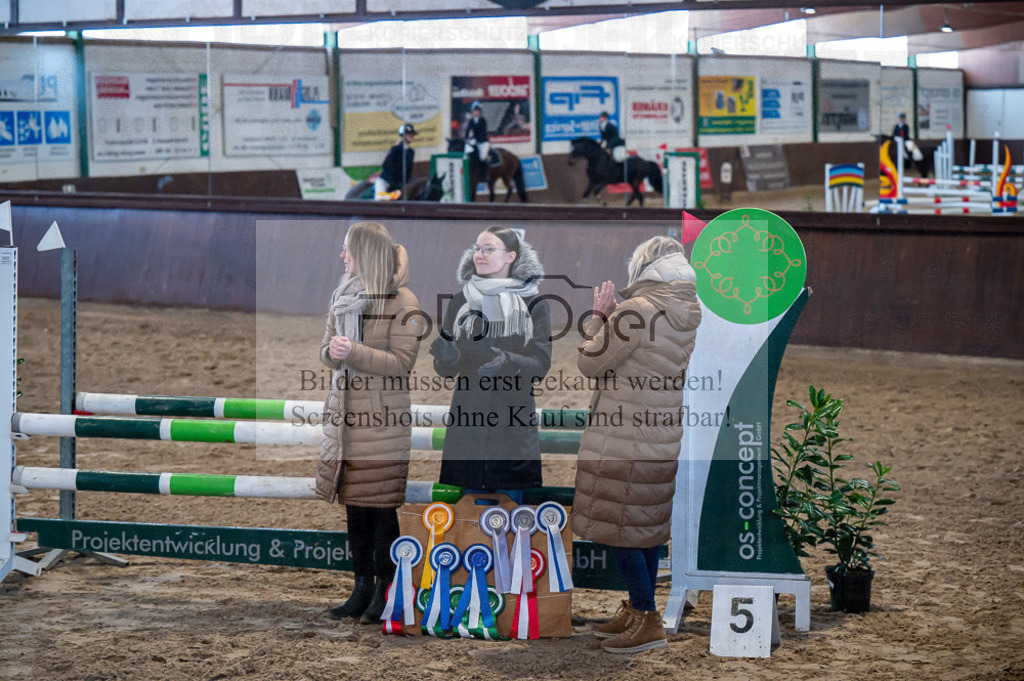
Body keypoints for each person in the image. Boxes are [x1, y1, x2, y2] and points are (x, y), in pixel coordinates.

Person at [572, 236, 701, 654]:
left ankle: (646, 617)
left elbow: (591, 361)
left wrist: (597, 318)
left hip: (625, 435)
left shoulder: (636, 310)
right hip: (660, 433)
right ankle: (638, 610)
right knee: (644, 525)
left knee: (622, 526)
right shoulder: (687, 311)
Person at [315, 221, 422, 623]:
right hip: (345, 417)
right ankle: (361, 586)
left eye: (348, 249)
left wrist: (354, 351)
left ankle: (386, 588)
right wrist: (335, 351)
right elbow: (325, 351)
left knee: (380, 509)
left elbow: (402, 364)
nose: (342, 256)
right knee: (354, 509)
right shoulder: (343, 295)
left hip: (383, 420)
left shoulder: (404, 301)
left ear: (366, 253)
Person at [428, 227, 551, 500]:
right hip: (468, 423)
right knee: (472, 524)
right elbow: (446, 370)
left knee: (507, 526)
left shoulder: (535, 303)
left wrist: (507, 361)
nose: (479, 255)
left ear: (510, 257)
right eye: (477, 248)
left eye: (488, 249)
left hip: (511, 424)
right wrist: (448, 359)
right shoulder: (460, 300)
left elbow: (541, 364)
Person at [375, 124, 417, 200]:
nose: (411, 136)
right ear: (403, 136)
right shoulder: (395, 149)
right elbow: (386, 166)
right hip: (386, 181)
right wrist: (395, 181)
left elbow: (409, 170)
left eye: (412, 134)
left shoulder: (411, 152)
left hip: (400, 184)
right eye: (408, 134)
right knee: (380, 198)